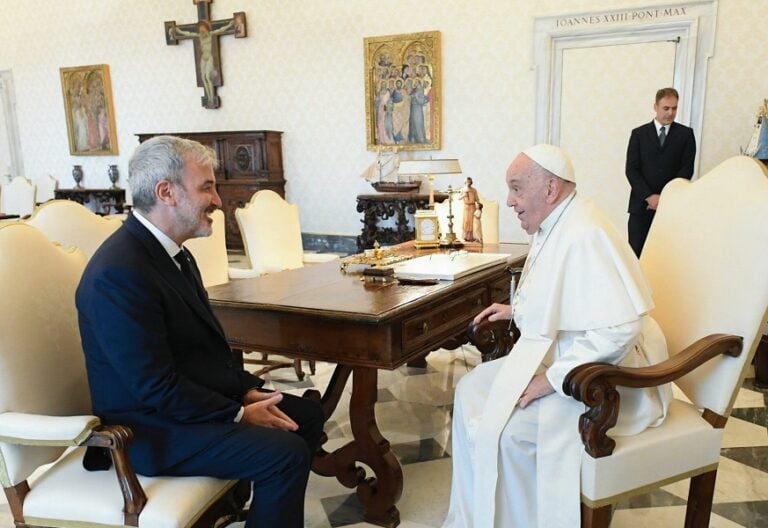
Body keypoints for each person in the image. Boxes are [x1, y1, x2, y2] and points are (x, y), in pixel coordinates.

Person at [76, 135, 325, 528]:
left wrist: (245, 391)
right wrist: (238, 413)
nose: (218, 200)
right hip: (148, 431)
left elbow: (202, 355)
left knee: (307, 416)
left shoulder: (173, 253)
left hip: (182, 409)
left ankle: (255, 508)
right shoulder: (119, 273)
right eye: (207, 187)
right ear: (166, 192)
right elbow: (156, 387)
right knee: (284, 453)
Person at [444, 144, 671, 528]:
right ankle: (475, 519)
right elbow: (566, 295)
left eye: (517, 188)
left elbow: (620, 328)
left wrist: (551, 380)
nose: (510, 201)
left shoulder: (585, 231)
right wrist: (518, 311)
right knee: (470, 389)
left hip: (607, 380)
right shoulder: (558, 220)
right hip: (571, 359)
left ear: (550, 189)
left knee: (510, 431)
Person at [625, 87, 696, 257]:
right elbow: (631, 170)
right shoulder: (639, 134)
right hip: (641, 208)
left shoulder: (686, 135)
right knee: (636, 256)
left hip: (671, 208)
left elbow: (687, 169)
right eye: (666, 108)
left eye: (674, 108)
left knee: (667, 258)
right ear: (655, 107)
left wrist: (666, 198)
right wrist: (649, 197)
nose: (670, 113)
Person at [171, 19, 235, 107]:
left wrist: (230, 25)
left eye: (203, 29)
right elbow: (188, 34)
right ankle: (208, 99)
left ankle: (212, 98)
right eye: (200, 30)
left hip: (209, 58)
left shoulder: (211, 34)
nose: (201, 31)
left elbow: (221, 30)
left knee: (208, 77)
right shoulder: (199, 36)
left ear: (206, 29)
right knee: (203, 79)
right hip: (203, 59)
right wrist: (179, 31)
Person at [459, 177, 479, 241]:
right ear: (465, 182)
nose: (468, 183)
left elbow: (477, 198)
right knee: (466, 221)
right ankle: (465, 236)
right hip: (466, 207)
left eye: (470, 182)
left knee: (472, 221)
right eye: (467, 182)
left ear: (471, 182)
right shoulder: (462, 189)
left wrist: (479, 205)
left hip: (472, 206)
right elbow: (459, 198)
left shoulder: (474, 190)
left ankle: (471, 237)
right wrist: (464, 195)